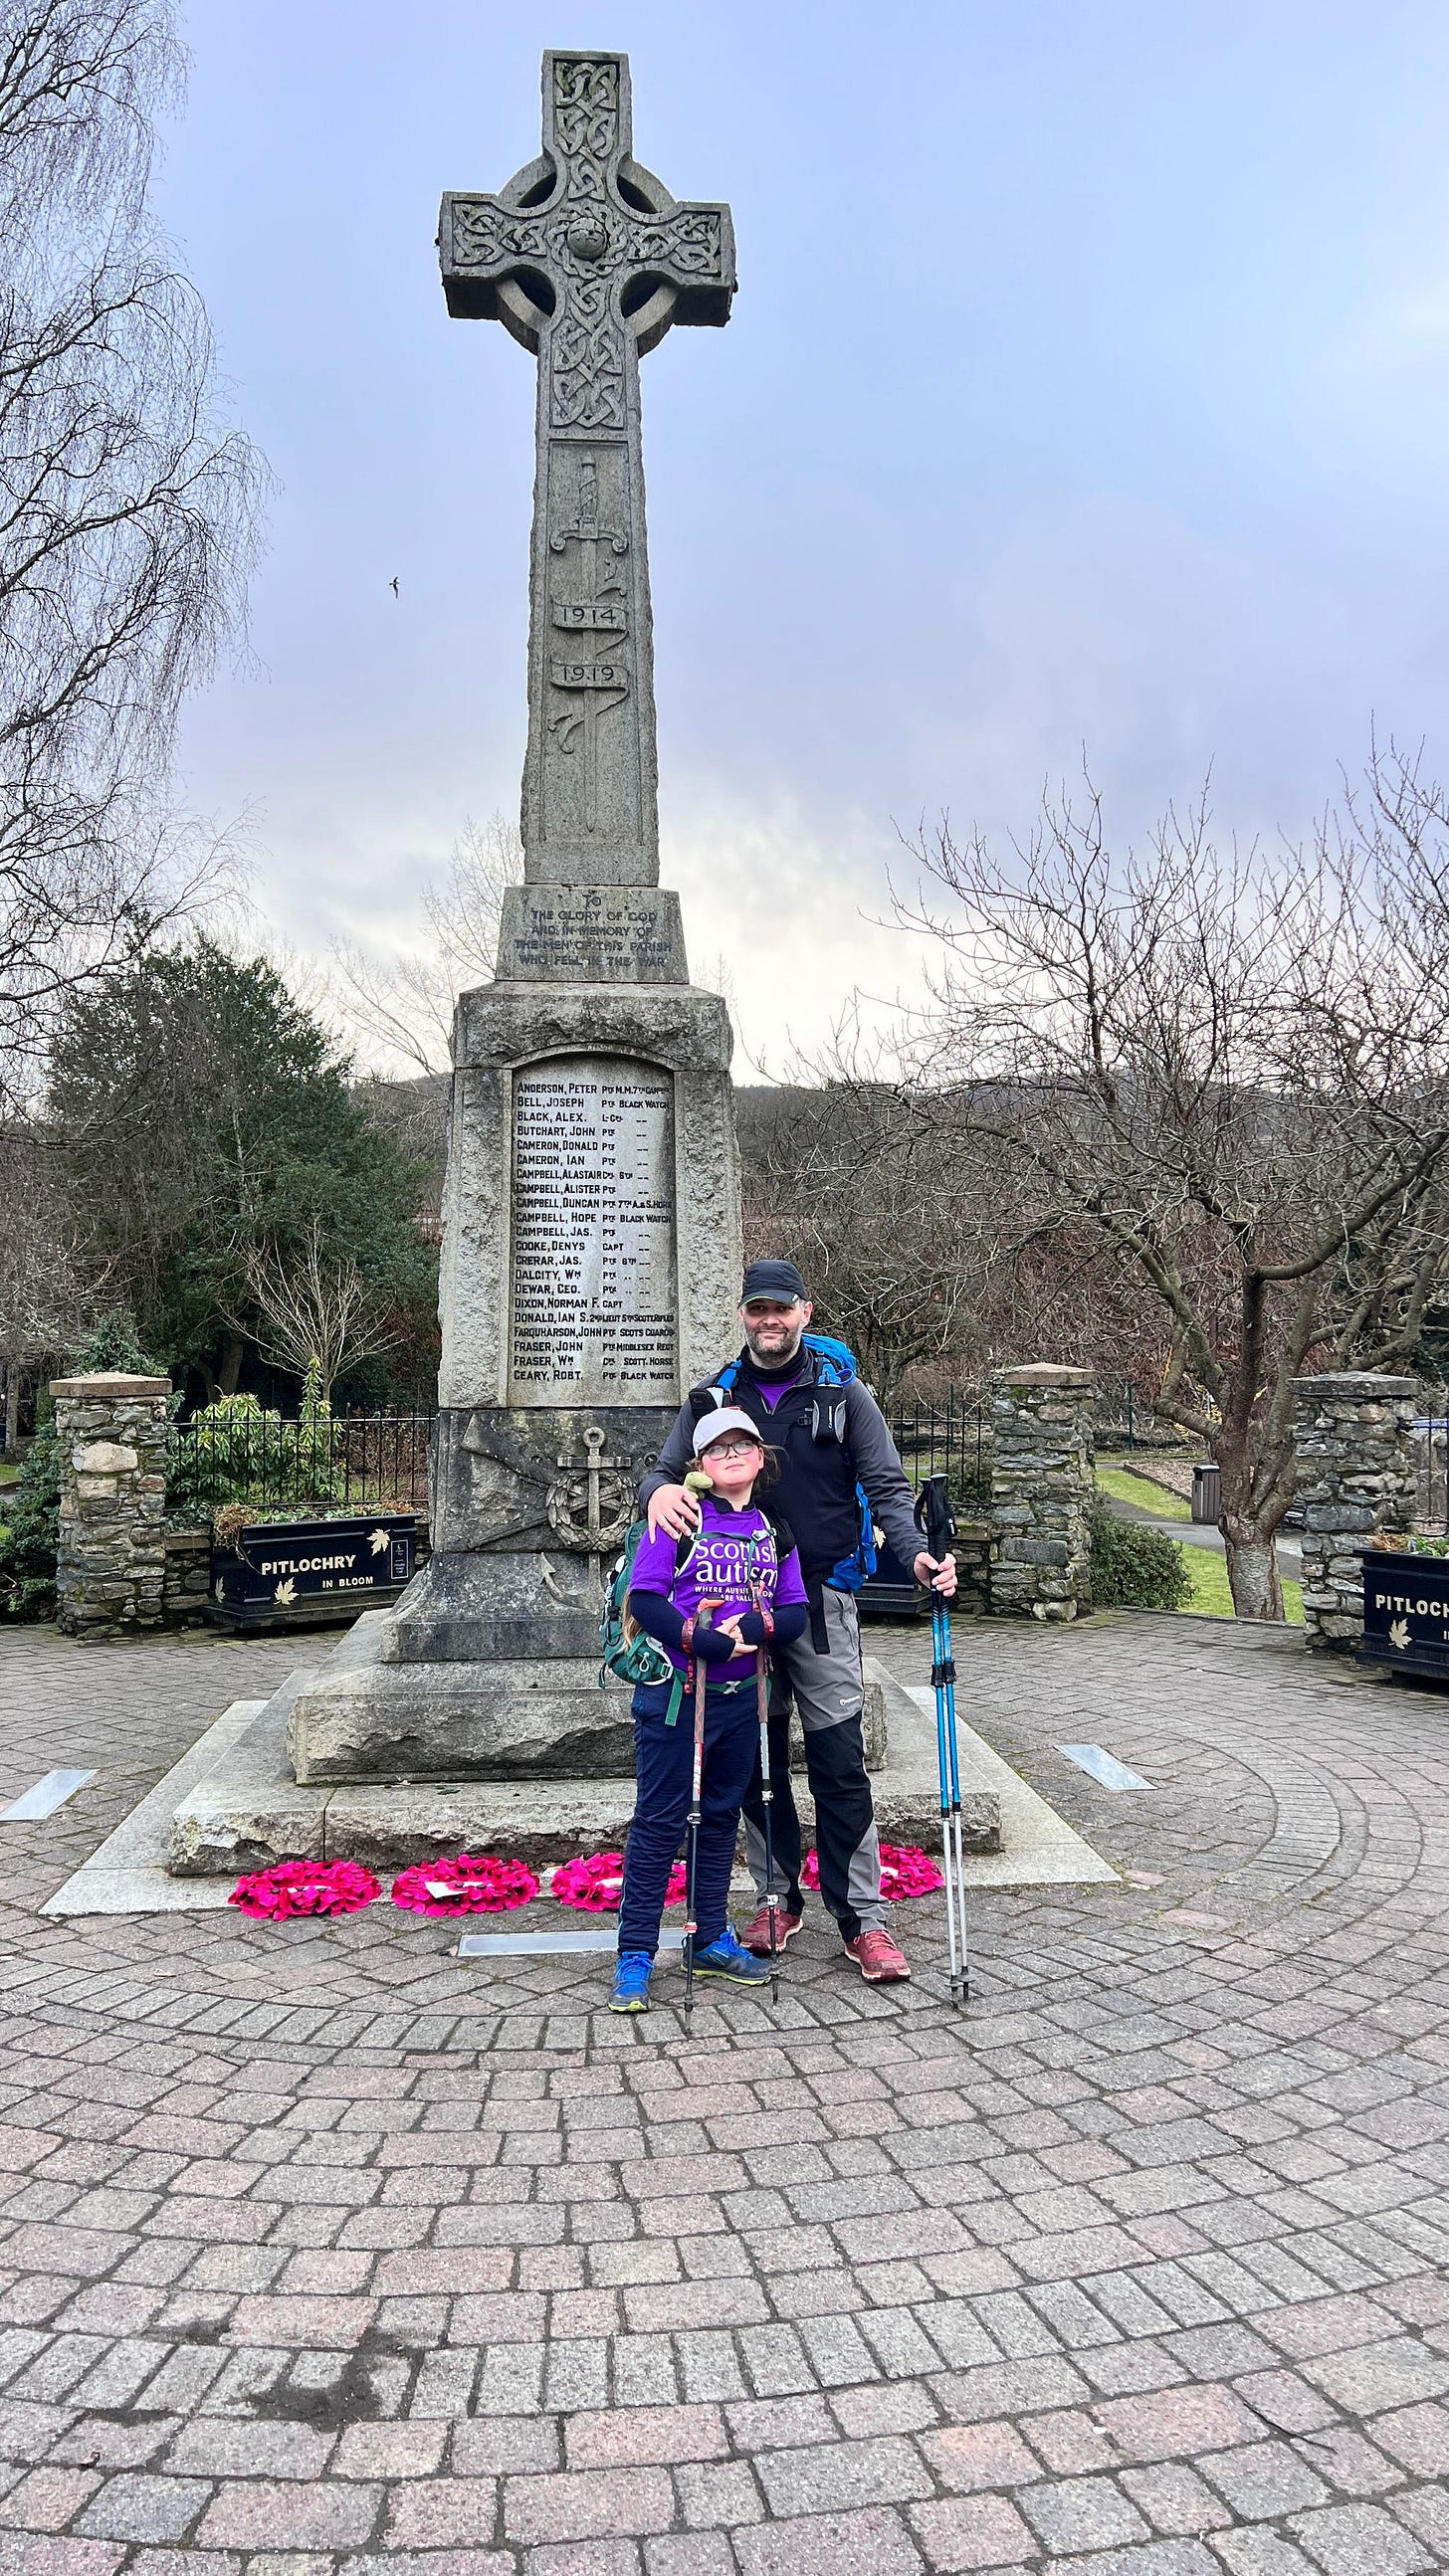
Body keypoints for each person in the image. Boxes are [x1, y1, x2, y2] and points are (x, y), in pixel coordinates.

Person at [640, 1258, 958, 1984]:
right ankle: (776, 1898)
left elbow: (885, 1484)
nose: (769, 1320)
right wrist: (657, 1492)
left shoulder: (844, 1393)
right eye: (757, 1309)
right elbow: (661, 1471)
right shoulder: (716, 1397)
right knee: (755, 1763)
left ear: (805, 1313)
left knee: (840, 1762)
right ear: (745, 1315)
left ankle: (862, 1920)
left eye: (781, 1308)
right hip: (733, 1610)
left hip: (819, 1605)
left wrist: (914, 1556)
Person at [611, 1406, 810, 2013]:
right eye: (716, 1449)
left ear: (759, 1456)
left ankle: (710, 1936)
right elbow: (645, 1599)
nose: (730, 1456)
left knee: (722, 1815)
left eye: (741, 1446)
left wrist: (759, 1623)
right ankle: (636, 1953)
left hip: (738, 1700)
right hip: (678, 1696)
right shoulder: (675, 1518)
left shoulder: (775, 1527)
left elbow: (797, 1609)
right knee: (661, 1821)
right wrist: (700, 1639)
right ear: (699, 1463)